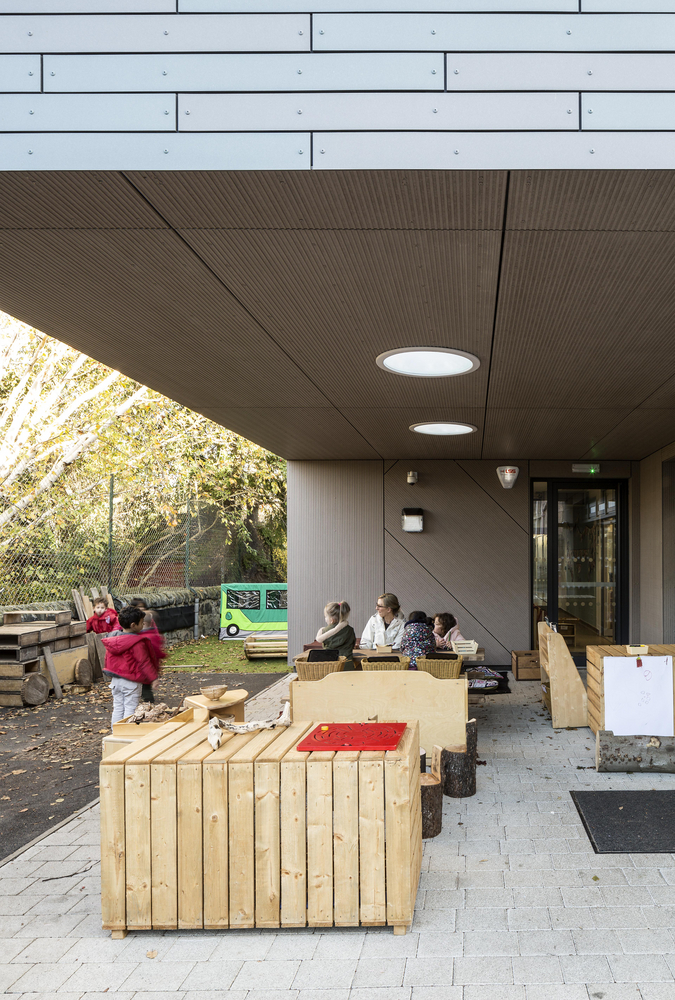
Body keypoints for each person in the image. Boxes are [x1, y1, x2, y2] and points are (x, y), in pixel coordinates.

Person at [102, 605, 166, 726]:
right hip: (131, 681)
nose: (142, 625)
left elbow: (108, 659)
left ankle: (115, 732)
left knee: (118, 707)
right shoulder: (137, 642)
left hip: (116, 680)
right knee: (130, 708)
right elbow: (144, 662)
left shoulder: (112, 639)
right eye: (141, 623)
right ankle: (127, 731)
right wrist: (153, 678)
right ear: (133, 625)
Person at [129, 598, 159, 703]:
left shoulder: (149, 631)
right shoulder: (134, 629)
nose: (141, 609)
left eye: (143, 607)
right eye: (139, 607)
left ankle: (148, 702)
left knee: (145, 685)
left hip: (146, 662)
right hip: (139, 663)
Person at [316, 601, 356, 670]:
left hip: (330, 667)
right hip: (347, 666)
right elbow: (352, 644)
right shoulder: (350, 630)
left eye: (325, 617)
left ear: (331, 620)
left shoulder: (324, 631)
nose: (325, 619)